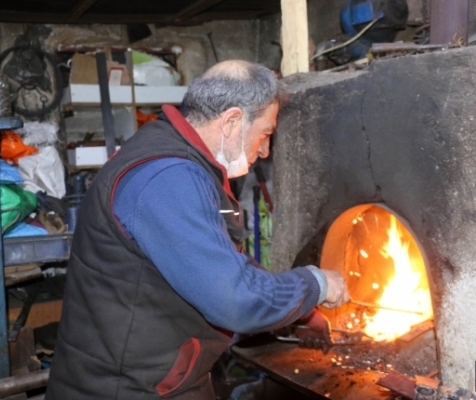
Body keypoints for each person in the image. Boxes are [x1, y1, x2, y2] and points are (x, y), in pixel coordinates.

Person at [46, 60, 350, 400]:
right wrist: (315, 283)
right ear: (233, 121)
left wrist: (300, 307)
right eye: (265, 133)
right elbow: (234, 300)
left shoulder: (187, 164)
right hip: (127, 390)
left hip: (155, 378)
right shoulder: (169, 180)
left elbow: (222, 259)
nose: (265, 150)